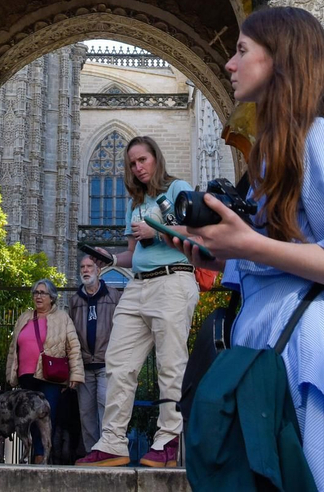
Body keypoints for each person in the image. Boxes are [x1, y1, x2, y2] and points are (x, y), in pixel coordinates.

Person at [177, 6, 324, 492]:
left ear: (280, 59)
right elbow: (276, 254)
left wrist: (252, 245)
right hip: (270, 339)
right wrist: (220, 252)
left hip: (312, 344)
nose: (230, 65)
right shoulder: (270, 155)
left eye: (241, 51)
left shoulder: (320, 138)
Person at [76, 135, 198, 468]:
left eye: (142, 160)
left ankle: (167, 441)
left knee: (170, 365)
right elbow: (133, 253)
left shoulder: (176, 189)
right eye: (132, 163)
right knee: (118, 362)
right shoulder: (138, 203)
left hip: (172, 279)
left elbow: (193, 231)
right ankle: (113, 442)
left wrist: (155, 231)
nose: (138, 167)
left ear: (156, 158)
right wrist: (109, 259)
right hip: (139, 287)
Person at [6, 279, 84, 463]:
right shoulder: (25, 317)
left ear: (52, 297)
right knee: (28, 417)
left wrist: (76, 373)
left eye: (42, 293)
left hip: (51, 376)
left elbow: (73, 346)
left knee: (47, 416)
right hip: (26, 375)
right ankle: (37, 455)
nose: (38, 296)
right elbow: (12, 348)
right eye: (35, 293)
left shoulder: (62, 317)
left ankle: (43, 456)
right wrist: (10, 373)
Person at [67, 253, 120, 452]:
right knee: (86, 413)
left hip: (106, 362)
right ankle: (92, 453)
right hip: (83, 365)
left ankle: (108, 451)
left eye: (89, 266)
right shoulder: (75, 300)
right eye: (82, 267)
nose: (86, 270)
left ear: (98, 270)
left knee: (105, 408)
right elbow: (71, 332)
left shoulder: (114, 296)